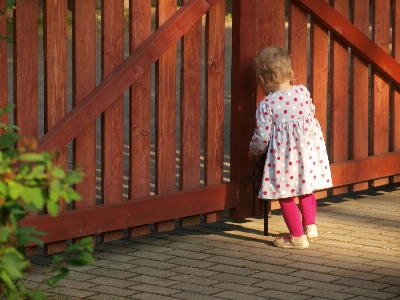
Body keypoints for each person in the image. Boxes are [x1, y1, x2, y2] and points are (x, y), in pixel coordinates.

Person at [248, 46, 332, 249]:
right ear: (291, 73)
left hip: (284, 159)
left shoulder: (266, 105)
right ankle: (310, 226)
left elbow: (262, 135)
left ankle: (297, 236)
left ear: (262, 79)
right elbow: (310, 114)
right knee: (306, 189)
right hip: (306, 154)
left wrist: (254, 151)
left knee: (285, 195)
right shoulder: (302, 92)